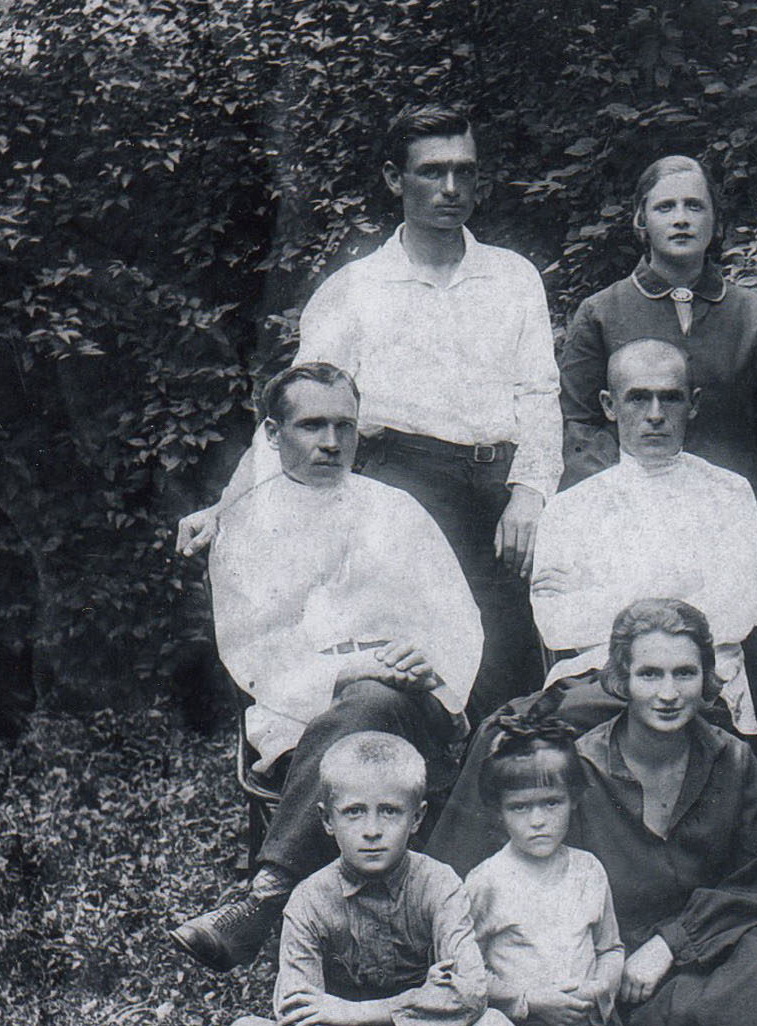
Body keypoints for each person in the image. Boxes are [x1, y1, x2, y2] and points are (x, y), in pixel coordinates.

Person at [176, 102, 560, 718]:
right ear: (393, 178)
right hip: (404, 488)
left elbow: (539, 395)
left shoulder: (514, 278)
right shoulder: (355, 288)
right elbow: (301, 407)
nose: (451, 187)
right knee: (419, 669)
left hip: (498, 493)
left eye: (464, 171)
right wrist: (230, 506)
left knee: (507, 675)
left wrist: (530, 494)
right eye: (432, 171)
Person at [432, 599, 757, 1026]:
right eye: (649, 674)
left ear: (707, 678)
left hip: (708, 952)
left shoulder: (732, 760)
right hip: (607, 973)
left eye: (684, 674)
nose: (668, 694)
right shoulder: (579, 768)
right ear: (622, 679)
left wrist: (671, 944)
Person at [169, 363, 483, 972]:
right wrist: (352, 674)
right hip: (302, 711)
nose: (332, 442)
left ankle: (265, 896)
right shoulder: (246, 524)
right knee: (367, 701)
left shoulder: (397, 510)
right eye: (312, 425)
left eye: (345, 426)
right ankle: (284, 898)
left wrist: (429, 665)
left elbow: (457, 619)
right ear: (272, 432)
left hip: (416, 705)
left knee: (379, 698)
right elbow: (253, 651)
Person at [217, 732, 517, 1026]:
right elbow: (295, 1017)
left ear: (417, 817)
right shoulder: (309, 899)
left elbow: (472, 992)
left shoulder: (439, 884)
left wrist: (349, 1012)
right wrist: (420, 1002)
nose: (372, 830)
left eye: (389, 811)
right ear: (327, 819)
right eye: (354, 812)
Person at [528, 337, 757, 734]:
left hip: (702, 685)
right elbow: (557, 627)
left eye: (670, 398)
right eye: (638, 398)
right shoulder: (569, 508)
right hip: (596, 680)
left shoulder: (729, 493)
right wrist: (679, 586)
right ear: (609, 405)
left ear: (693, 403)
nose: (655, 414)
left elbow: (738, 613)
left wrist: (600, 594)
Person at [557, 153, 757, 523]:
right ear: (641, 220)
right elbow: (579, 422)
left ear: (714, 220)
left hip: (731, 509)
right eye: (665, 207)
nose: (681, 219)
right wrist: (611, 496)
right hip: (631, 513)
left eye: (694, 206)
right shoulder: (601, 312)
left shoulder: (749, 313)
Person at [464, 714, 643, 1026]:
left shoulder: (588, 870)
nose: (538, 820)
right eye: (520, 807)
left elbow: (610, 948)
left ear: (574, 799)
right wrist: (530, 1001)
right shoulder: (487, 881)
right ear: (499, 811)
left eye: (551, 803)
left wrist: (600, 986)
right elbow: (466, 975)